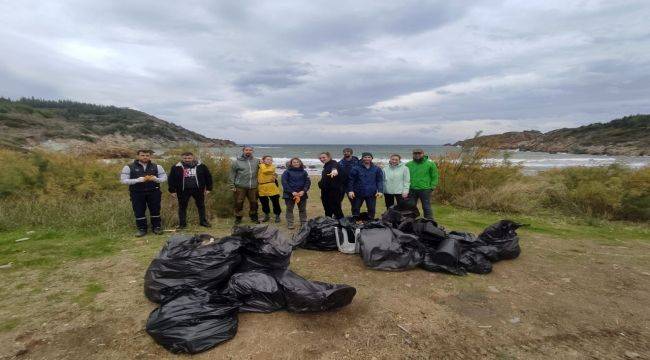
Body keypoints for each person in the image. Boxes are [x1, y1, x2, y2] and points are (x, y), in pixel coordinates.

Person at [119, 149, 167, 237]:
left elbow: (164, 178)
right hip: (137, 192)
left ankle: (156, 227)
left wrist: (155, 179)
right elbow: (123, 180)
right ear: (138, 156)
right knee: (139, 211)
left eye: (147, 155)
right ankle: (142, 229)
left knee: (155, 210)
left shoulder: (157, 166)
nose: (145, 157)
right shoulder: (129, 167)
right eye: (142, 155)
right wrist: (138, 180)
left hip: (154, 191)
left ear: (150, 156)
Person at [168, 152, 213, 228]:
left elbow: (208, 176)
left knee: (201, 205)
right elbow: (171, 179)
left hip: (198, 189)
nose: (187, 160)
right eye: (185, 158)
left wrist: (209, 188)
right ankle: (182, 224)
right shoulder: (176, 167)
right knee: (182, 207)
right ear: (182, 158)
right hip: (183, 190)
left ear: (193, 158)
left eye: (189, 158)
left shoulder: (201, 166)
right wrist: (172, 190)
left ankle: (203, 222)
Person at [347, 152, 384, 220]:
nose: (367, 159)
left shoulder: (376, 169)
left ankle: (370, 222)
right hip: (358, 192)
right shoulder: (356, 168)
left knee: (371, 209)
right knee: (355, 208)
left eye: (369, 157)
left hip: (371, 193)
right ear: (362, 158)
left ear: (372, 158)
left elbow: (379, 180)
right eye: (365, 157)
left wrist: (380, 191)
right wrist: (350, 190)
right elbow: (351, 180)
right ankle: (355, 222)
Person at [405, 148, 439, 220]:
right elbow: (404, 176)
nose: (417, 155)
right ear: (413, 155)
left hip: (425, 189)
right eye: (415, 153)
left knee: (426, 206)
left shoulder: (430, 164)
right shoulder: (408, 164)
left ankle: (429, 222)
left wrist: (432, 187)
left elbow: (435, 176)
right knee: (411, 206)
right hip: (412, 189)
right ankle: (411, 221)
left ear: (423, 154)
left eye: (419, 153)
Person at [230, 145, 260, 225]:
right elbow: (232, 174)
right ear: (243, 151)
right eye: (246, 150)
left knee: (254, 202)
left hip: (253, 186)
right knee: (238, 203)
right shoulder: (236, 162)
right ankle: (238, 218)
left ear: (252, 151)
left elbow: (264, 169)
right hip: (240, 186)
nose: (248, 151)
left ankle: (254, 217)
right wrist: (232, 186)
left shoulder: (257, 161)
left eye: (250, 150)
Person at [281, 157, 311, 229]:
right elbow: (284, 183)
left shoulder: (304, 172)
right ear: (291, 163)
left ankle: (303, 223)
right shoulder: (286, 172)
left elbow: (308, 182)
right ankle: (290, 223)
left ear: (300, 163)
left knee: (302, 209)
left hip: (302, 194)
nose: (296, 163)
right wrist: (292, 191)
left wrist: (304, 191)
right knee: (289, 209)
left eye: (297, 162)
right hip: (289, 194)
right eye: (294, 162)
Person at [318, 152, 344, 219]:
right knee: (327, 210)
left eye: (324, 157)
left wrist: (334, 170)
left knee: (337, 210)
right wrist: (321, 188)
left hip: (334, 192)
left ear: (329, 157)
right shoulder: (326, 166)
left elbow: (334, 166)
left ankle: (342, 225)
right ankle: (329, 224)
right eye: (320, 158)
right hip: (326, 192)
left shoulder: (333, 163)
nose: (322, 159)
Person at [258, 155, 282, 223]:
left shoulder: (272, 166)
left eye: (271, 160)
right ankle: (266, 215)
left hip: (271, 186)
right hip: (261, 187)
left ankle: (277, 215)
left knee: (275, 202)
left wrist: (261, 164)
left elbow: (265, 171)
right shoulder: (259, 167)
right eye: (267, 159)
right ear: (264, 160)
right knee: (264, 202)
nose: (269, 161)